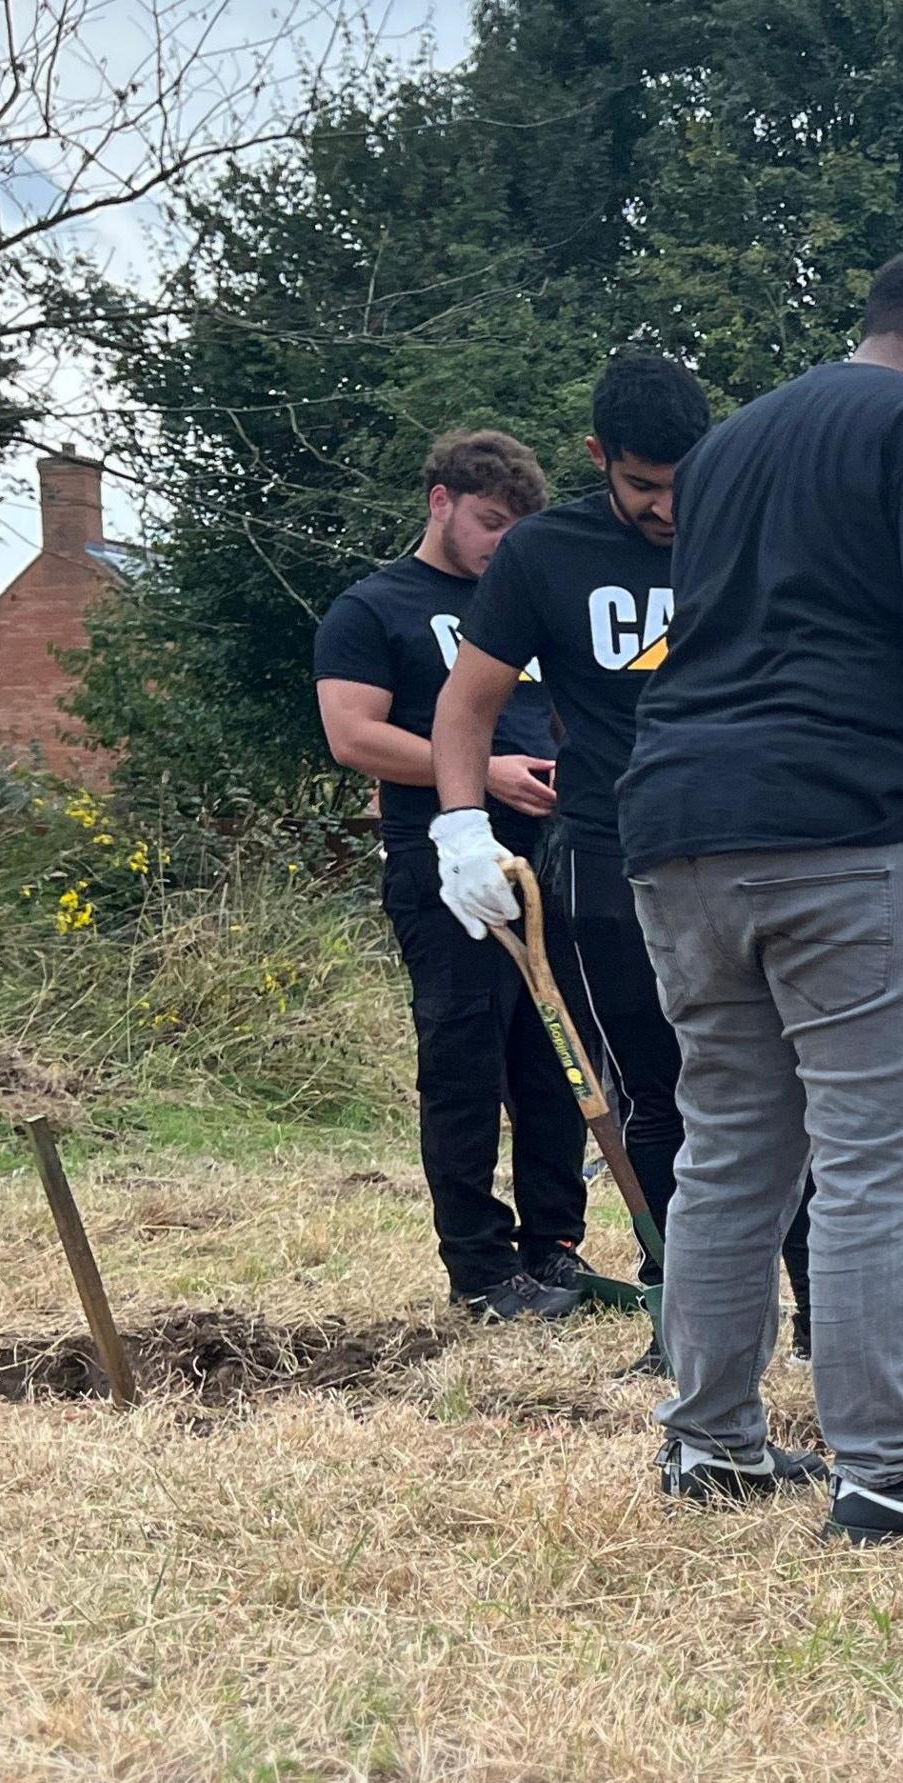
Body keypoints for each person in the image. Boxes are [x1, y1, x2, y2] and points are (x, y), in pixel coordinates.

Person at [454, 243, 903, 1546]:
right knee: (873, 1158)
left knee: (733, 1144)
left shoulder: (734, 446)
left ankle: (711, 1442)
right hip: (851, 823)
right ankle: (888, 1475)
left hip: (676, 827)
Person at [426, 352, 810, 1367]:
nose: (669, 509)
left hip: (754, 847)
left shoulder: (765, 537)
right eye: (644, 487)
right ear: (599, 458)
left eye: (685, 483)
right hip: (608, 859)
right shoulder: (545, 555)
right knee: (651, 1091)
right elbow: (466, 702)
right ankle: (682, 1314)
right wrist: (459, 824)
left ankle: (820, 1310)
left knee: (788, 1083)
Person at [316, 428, 587, 1323]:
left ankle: (554, 1248)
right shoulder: (373, 608)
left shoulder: (531, 606)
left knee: (555, 1063)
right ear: (440, 502)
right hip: (442, 867)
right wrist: (476, 773)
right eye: (488, 522)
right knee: (467, 1065)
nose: (500, 543)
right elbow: (353, 737)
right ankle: (479, 1267)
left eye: (516, 528)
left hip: (550, 867)